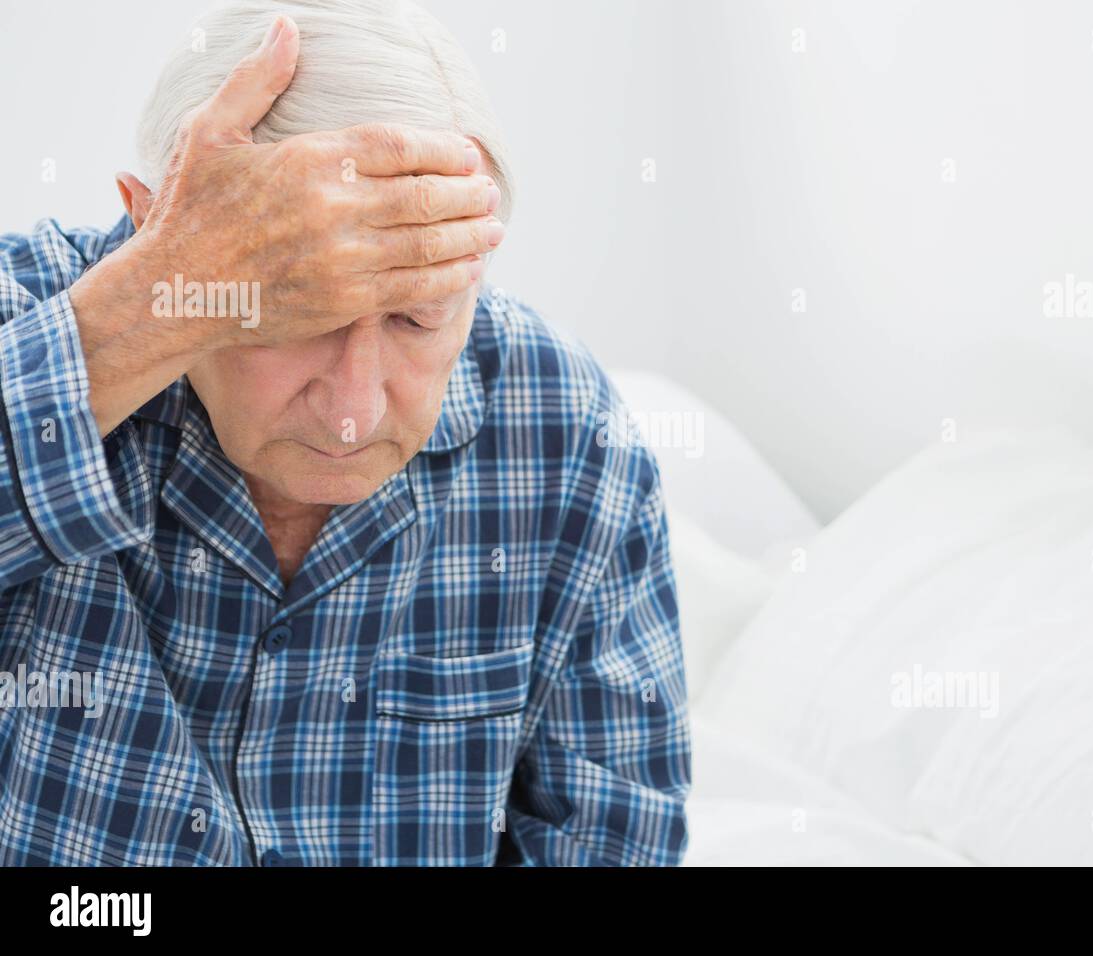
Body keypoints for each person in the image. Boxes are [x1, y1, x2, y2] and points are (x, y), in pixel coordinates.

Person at [0, 1, 690, 866]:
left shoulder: (571, 437)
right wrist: (153, 303)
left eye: (416, 318)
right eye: (297, 312)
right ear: (151, 230)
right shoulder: (24, 314)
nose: (354, 408)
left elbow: (612, 837)